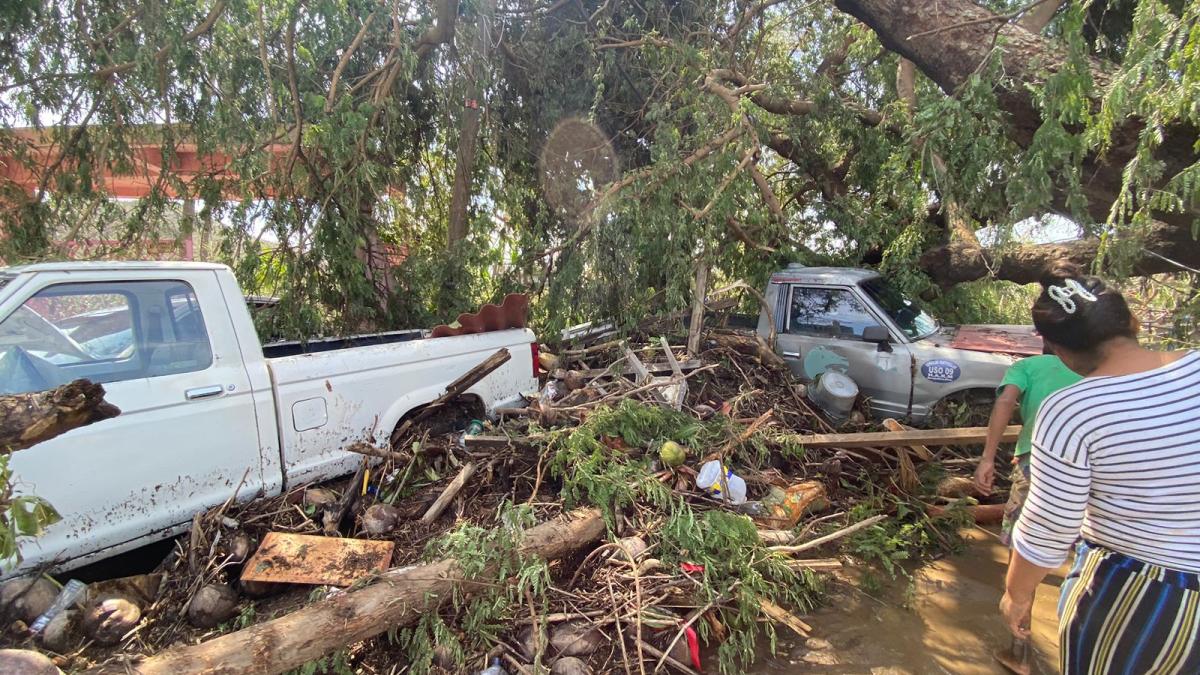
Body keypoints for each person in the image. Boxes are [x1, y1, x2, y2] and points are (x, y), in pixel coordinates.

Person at [1000, 262, 1200, 674]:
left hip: (1142, 595)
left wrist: (1016, 594)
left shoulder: (1074, 409)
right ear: (1131, 320)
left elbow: (1049, 525)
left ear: (1056, 347)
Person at [974, 348, 1082, 546]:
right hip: (1086, 462)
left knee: (1020, 528)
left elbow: (1006, 400)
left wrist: (987, 458)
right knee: (1076, 532)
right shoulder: (1094, 365)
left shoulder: (1026, 366)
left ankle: (1015, 576)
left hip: (1035, 457)